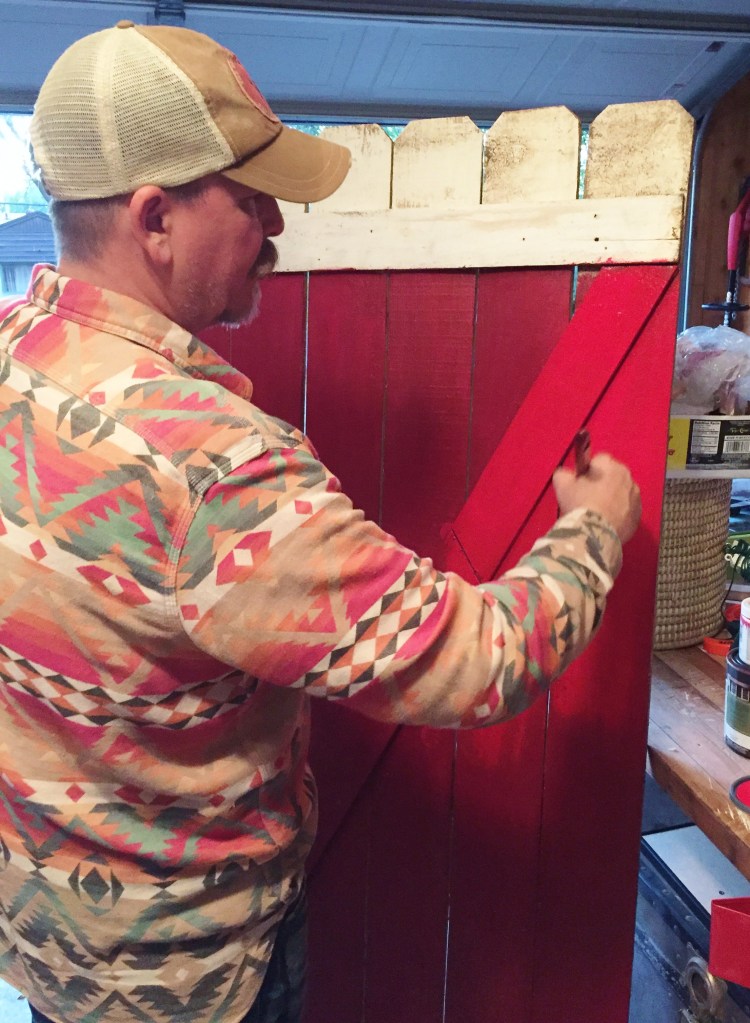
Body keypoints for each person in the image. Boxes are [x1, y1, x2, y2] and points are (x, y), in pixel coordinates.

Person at [0, 20, 641, 1023]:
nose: (279, 227)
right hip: (196, 984)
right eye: (253, 201)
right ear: (155, 216)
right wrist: (594, 531)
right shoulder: (210, 466)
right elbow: (478, 661)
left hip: (49, 949)